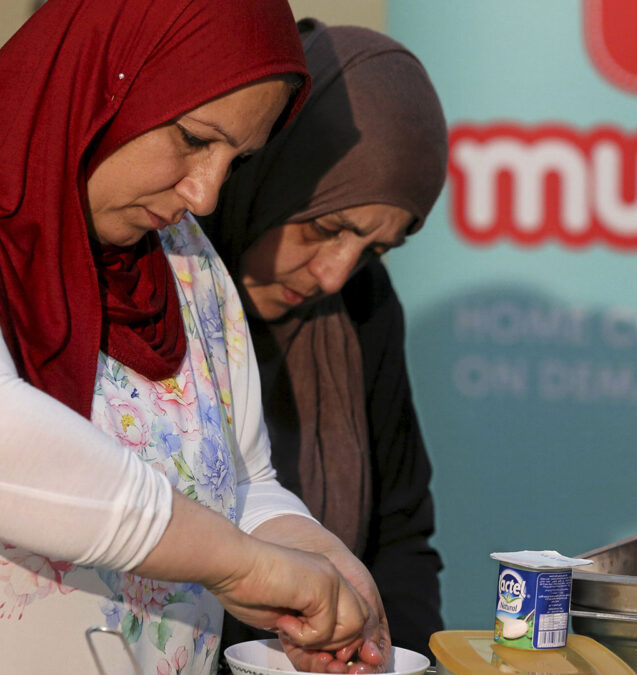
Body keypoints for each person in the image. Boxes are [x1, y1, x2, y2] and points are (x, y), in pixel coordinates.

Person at [0, 1, 387, 673]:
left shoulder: (182, 259)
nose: (207, 192)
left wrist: (312, 553)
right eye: (192, 137)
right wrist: (241, 565)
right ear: (107, 79)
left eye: (236, 159)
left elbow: (238, 479)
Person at [198, 19, 449, 660]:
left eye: (375, 248)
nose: (335, 273)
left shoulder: (362, 306)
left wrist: (393, 662)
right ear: (265, 170)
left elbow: (400, 535)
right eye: (325, 227)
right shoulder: (158, 285)